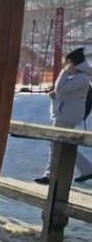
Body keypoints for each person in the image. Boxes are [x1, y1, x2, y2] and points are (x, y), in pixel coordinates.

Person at [35, 46, 92, 184]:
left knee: (57, 144)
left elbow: (60, 88)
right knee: (63, 144)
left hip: (68, 115)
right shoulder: (79, 76)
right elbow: (63, 93)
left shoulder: (81, 77)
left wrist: (63, 72)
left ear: (74, 63)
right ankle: (87, 169)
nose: (66, 66)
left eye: (68, 63)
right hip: (66, 113)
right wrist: (55, 98)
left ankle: (50, 175)